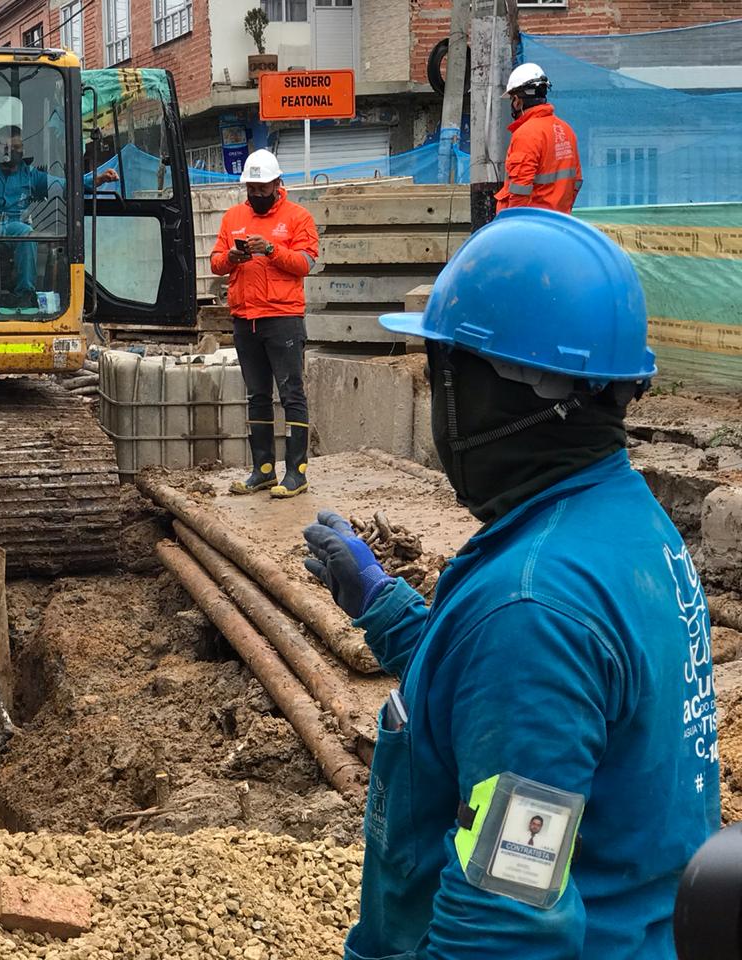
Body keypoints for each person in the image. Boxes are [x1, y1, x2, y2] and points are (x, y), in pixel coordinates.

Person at [303, 208, 718, 958]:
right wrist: (385, 608)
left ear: (497, 392)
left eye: (441, 379)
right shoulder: (624, 527)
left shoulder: (535, 606)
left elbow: (505, 919)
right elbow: (518, 698)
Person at [209, 148, 319, 498]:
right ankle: (263, 470)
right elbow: (215, 263)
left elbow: (305, 263)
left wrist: (271, 250)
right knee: (257, 395)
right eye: (251, 189)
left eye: (261, 188)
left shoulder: (298, 217)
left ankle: (297, 472)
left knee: (291, 394)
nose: (255, 194)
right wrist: (232, 256)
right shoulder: (232, 218)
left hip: (282, 318)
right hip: (245, 319)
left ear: (277, 183)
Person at [0, 124, 118, 310]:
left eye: (17, 148)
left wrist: (97, 179)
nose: (13, 152)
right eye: (8, 147)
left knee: (27, 234)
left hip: (10, 224)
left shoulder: (30, 175)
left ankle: (24, 294)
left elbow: (63, 185)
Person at [496, 63, 583, 214]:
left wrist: (514, 224)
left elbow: (520, 188)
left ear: (517, 100)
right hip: (558, 221)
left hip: (530, 225)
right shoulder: (566, 130)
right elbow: (576, 182)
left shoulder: (526, 133)